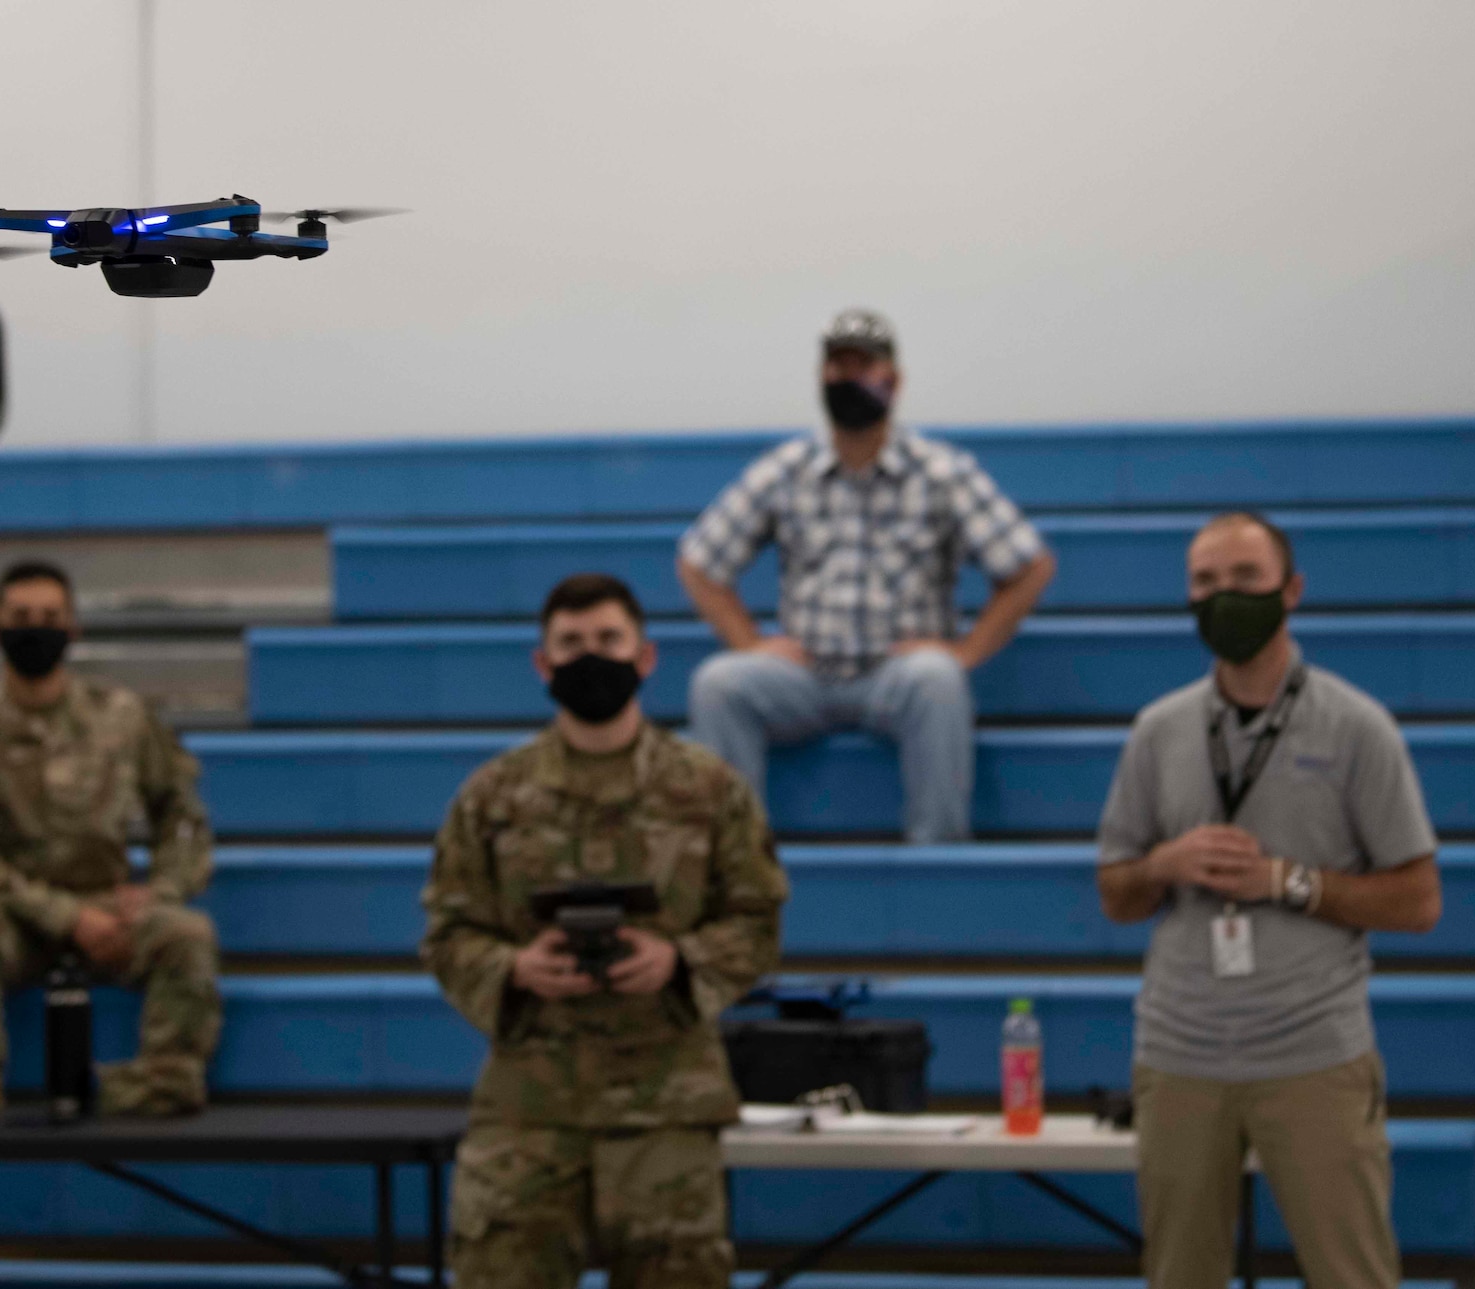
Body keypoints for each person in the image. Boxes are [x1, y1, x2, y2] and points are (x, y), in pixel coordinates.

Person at [1096, 512, 1442, 1289]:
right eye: (1205, 582)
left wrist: (1289, 881)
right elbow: (1115, 893)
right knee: (1180, 1275)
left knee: (1350, 1274)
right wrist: (1163, 863)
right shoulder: (1158, 730)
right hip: (1179, 1051)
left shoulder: (1357, 727)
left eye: (1245, 580)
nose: (1224, 597)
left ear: (1292, 591)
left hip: (1312, 1051)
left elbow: (1419, 900)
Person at [422, 573, 787, 1288]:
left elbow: (759, 920)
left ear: (646, 657)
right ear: (543, 663)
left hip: (667, 1104)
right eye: (572, 643)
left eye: (608, 640)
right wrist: (515, 967)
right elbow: (448, 931)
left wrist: (679, 959)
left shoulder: (709, 790)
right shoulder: (493, 795)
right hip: (528, 1106)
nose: (592, 656)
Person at [677, 307, 1056, 842]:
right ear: (821, 376)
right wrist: (747, 641)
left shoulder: (942, 472)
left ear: (893, 381)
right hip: (803, 676)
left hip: (896, 676)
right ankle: (736, 863)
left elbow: (1029, 566)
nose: (847, 378)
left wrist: (967, 652)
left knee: (939, 679)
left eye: (862, 366)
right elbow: (700, 560)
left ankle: (937, 859)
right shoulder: (784, 470)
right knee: (718, 684)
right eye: (837, 366)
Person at [0, 560, 221, 1115]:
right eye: (21, 616)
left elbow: (183, 813)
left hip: (111, 913)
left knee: (186, 934)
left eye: (50, 616)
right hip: (14, 917)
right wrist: (64, 917)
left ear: (73, 629)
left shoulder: (120, 716)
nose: (36, 627)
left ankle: (152, 1091)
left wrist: (163, 890)